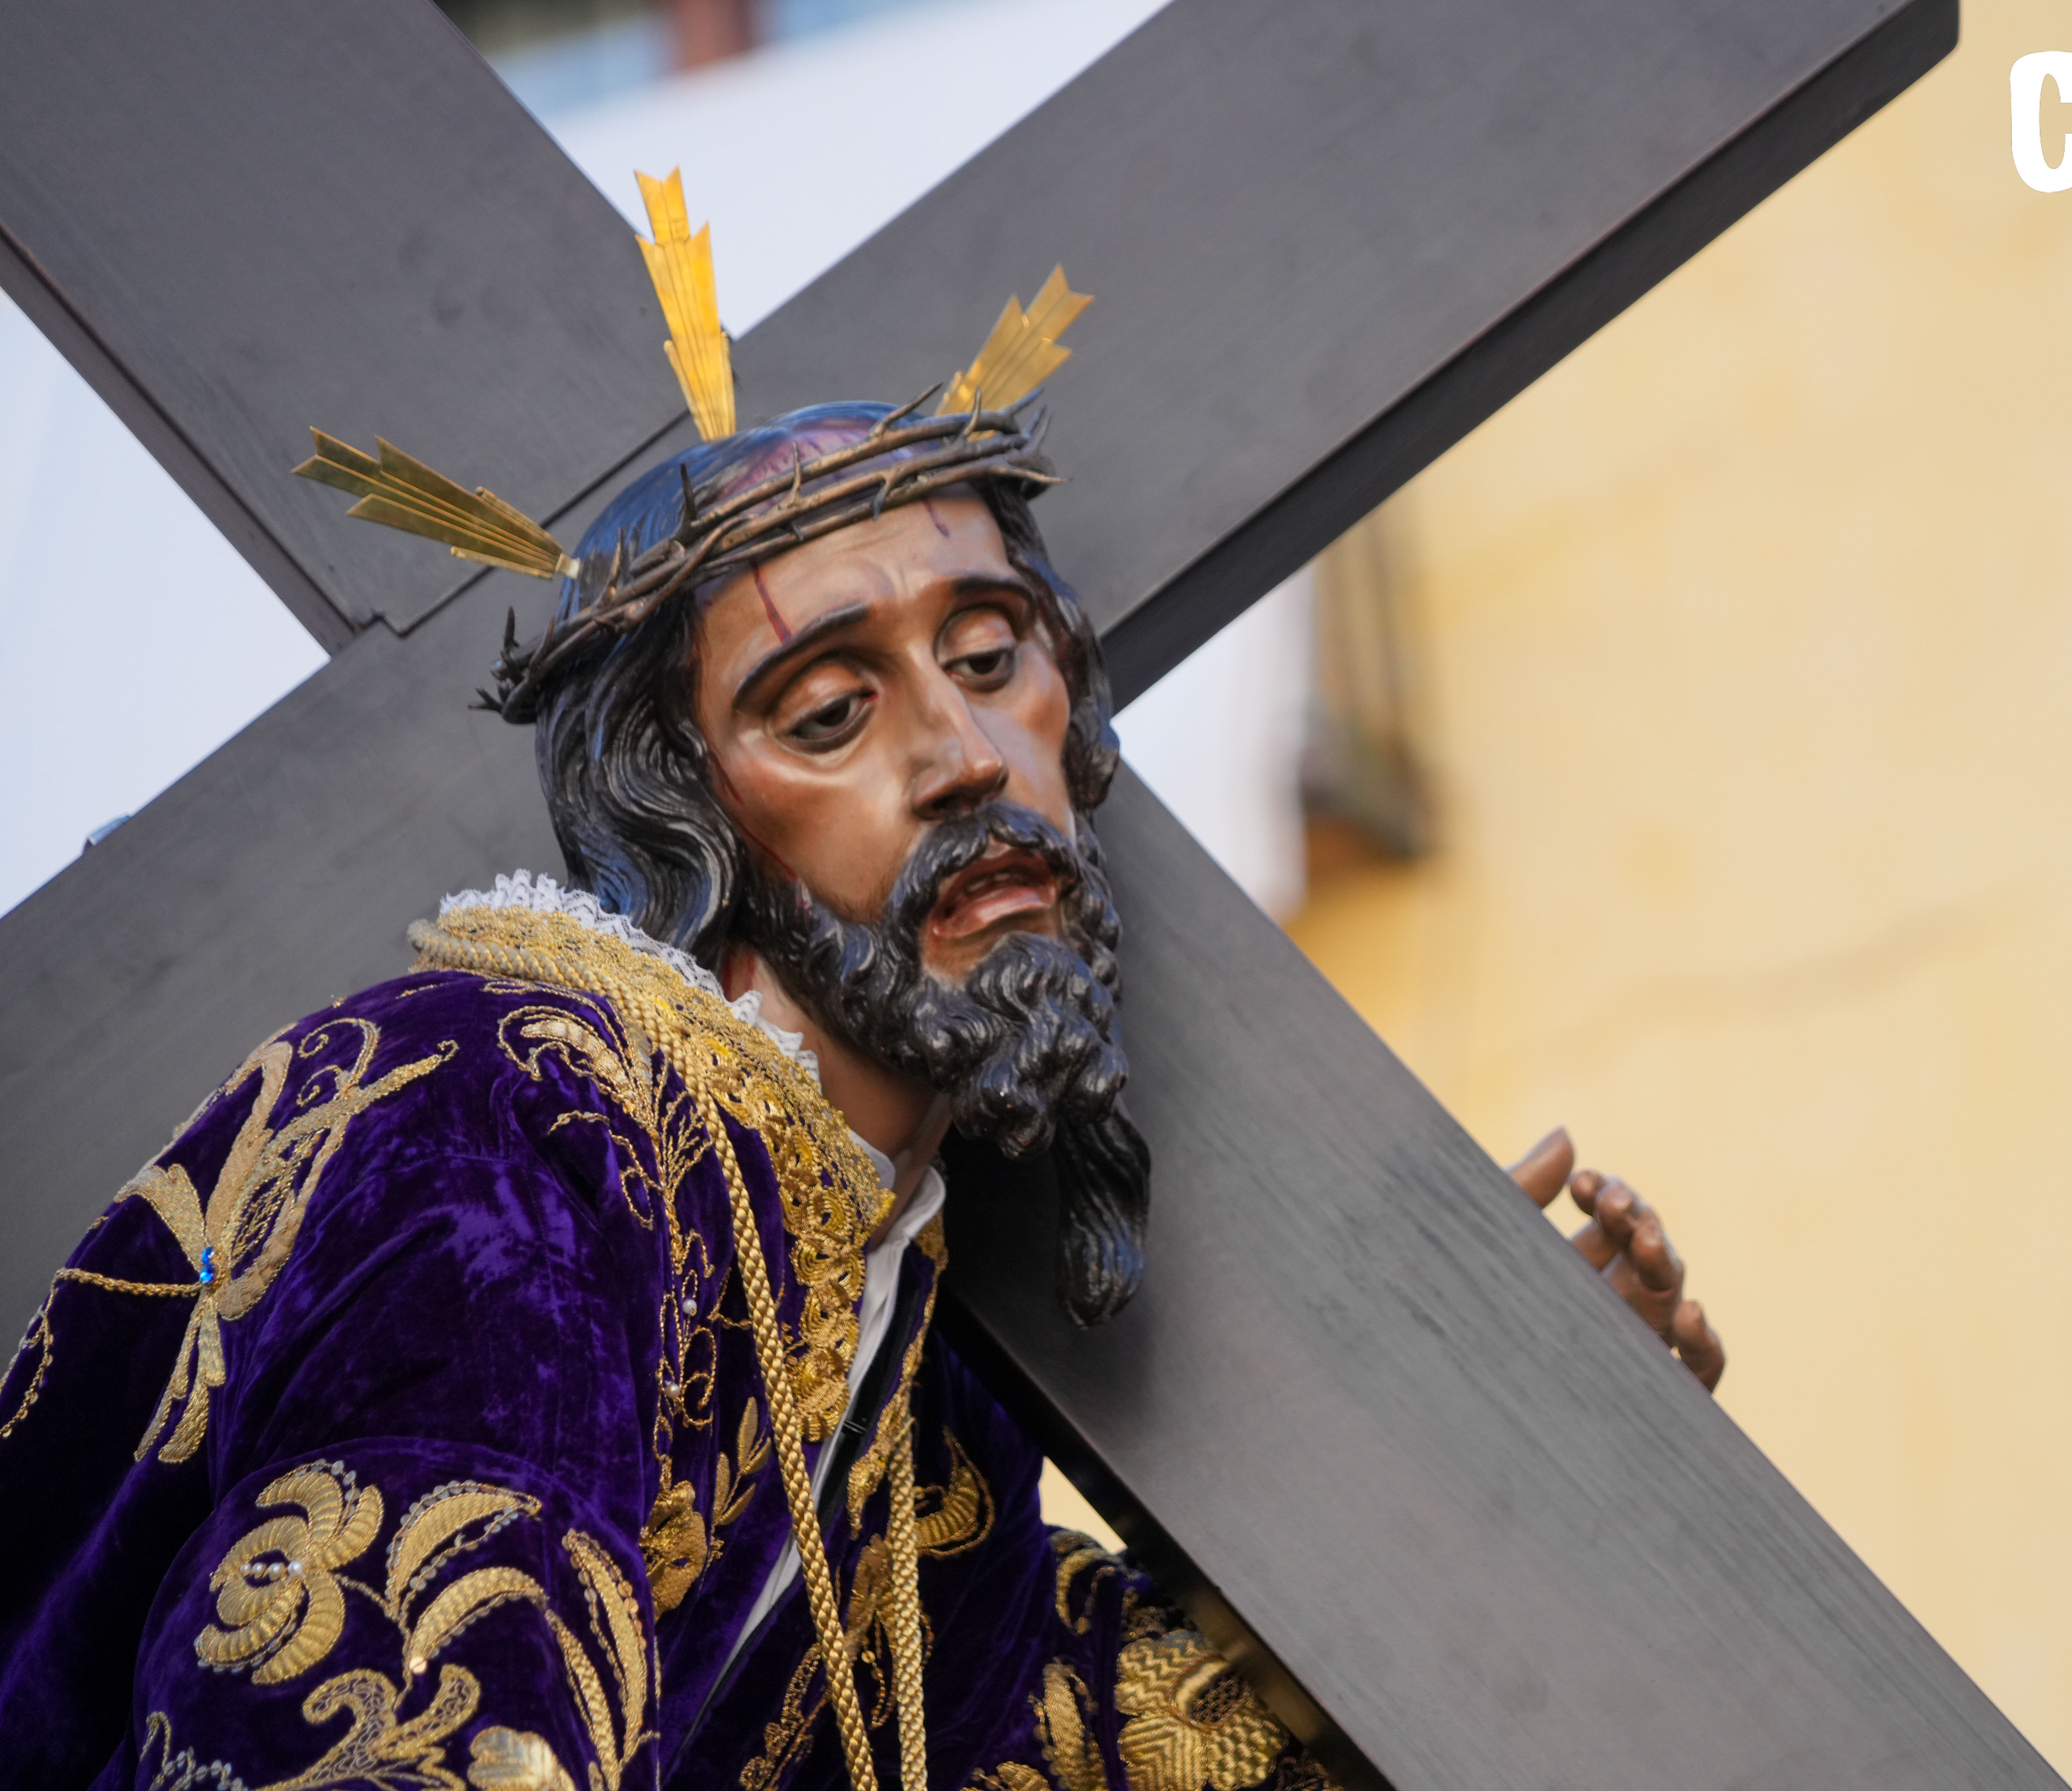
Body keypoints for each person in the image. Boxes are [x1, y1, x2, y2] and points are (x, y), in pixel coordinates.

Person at [0, 248, 1719, 1791]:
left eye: (991, 657)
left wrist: (1509, 1462)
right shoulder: (504, 1134)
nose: (964, 758)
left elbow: (1126, 1740)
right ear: (685, 814)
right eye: (829, 709)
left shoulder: (896, 1368)